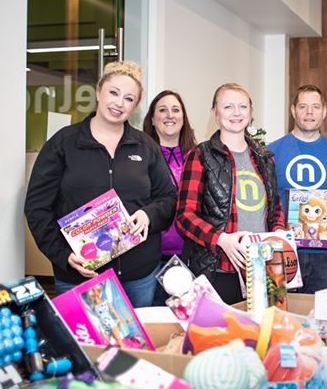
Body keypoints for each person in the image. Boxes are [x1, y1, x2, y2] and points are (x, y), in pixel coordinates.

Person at [25, 61, 176, 308]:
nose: (119, 103)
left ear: (135, 105)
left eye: (129, 98)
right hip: (81, 275)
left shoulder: (146, 146)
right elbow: (37, 208)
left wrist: (148, 215)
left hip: (139, 276)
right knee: (82, 335)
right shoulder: (63, 144)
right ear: (98, 92)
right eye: (113, 93)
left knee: (138, 334)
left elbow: (168, 199)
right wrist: (63, 255)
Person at [176, 83, 285, 304]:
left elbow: (275, 210)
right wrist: (220, 239)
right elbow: (184, 216)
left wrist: (279, 234)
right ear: (214, 114)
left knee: (264, 325)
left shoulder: (265, 158)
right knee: (221, 327)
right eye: (228, 107)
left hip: (263, 268)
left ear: (250, 112)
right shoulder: (200, 156)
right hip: (218, 269)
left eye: (242, 106)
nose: (236, 113)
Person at [269, 85, 327, 293]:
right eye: (303, 106)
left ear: (324, 111)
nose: (309, 112)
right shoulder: (271, 152)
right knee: (282, 311)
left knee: (324, 313)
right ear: (293, 110)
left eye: (315, 107)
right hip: (283, 251)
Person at [143, 89, 197, 304]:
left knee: (189, 318)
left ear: (183, 118)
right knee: (152, 317)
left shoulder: (198, 156)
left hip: (190, 255)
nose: (169, 115)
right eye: (162, 110)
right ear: (152, 119)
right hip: (150, 258)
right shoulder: (140, 156)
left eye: (175, 110)